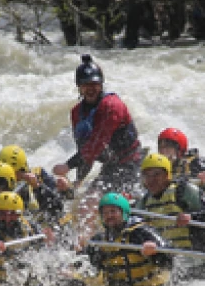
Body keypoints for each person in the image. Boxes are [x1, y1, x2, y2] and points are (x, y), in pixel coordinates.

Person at [53, 54, 144, 196]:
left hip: (131, 164)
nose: (90, 89)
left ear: (101, 85)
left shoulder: (112, 106)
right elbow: (85, 151)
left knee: (95, 202)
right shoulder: (77, 112)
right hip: (111, 166)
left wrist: (68, 165)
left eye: (94, 84)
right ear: (79, 87)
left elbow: (96, 146)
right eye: (85, 85)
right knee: (87, 201)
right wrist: (78, 181)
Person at [134, 153, 205, 282]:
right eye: (147, 175)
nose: (151, 180)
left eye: (156, 174)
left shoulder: (184, 190)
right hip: (170, 262)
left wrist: (191, 217)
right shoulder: (144, 202)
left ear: (167, 175)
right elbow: (134, 225)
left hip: (196, 260)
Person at [82, 192, 172, 286]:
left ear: (124, 213)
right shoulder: (100, 239)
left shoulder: (141, 232)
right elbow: (85, 261)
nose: (109, 216)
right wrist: (73, 269)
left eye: (113, 211)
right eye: (105, 213)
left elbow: (168, 254)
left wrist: (156, 252)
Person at [157, 127, 205, 244]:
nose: (164, 152)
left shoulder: (195, 164)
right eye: (161, 148)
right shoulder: (159, 168)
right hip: (176, 217)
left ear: (179, 150)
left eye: (168, 148)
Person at [0, 145, 70, 227]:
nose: (9, 177)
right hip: (27, 228)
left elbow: (57, 207)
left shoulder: (39, 174)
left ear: (22, 168)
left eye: (13, 173)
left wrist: (37, 187)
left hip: (50, 224)